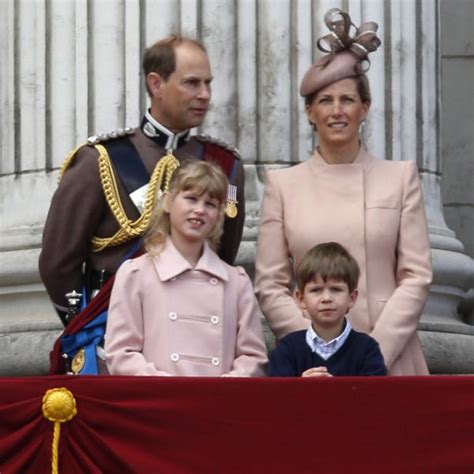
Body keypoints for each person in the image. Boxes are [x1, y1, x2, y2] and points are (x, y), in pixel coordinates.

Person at [255, 8, 432, 375]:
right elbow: (271, 284)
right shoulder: (283, 185)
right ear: (309, 112)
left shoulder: (400, 178)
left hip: (389, 359)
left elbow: (416, 275)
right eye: (325, 101)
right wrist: (319, 348)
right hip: (310, 368)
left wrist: (367, 353)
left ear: (365, 108)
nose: (337, 111)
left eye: (347, 100)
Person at [39, 35, 245, 326]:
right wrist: (84, 327)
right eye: (192, 83)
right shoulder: (100, 160)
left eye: (208, 83)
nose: (205, 94)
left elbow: (224, 253)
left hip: (195, 327)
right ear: (156, 84)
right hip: (114, 327)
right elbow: (58, 262)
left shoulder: (225, 165)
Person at [104, 161, 268, 376]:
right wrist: (167, 386)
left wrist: (226, 387)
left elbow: (253, 357)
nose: (199, 210)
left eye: (210, 204)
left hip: (218, 403)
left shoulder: (236, 281)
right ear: (168, 203)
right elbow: (120, 353)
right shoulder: (136, 274)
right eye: (191, 199)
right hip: (161, 401)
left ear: (219, 214)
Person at [268, 242, 387, 377]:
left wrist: (336, 391)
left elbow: (375, 396)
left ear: (352, 298)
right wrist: (299, 388)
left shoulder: (367, 349)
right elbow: (276, 396)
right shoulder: (287, 349)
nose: (326, 298)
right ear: (301, 299)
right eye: (316, 290)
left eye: (336, 289)